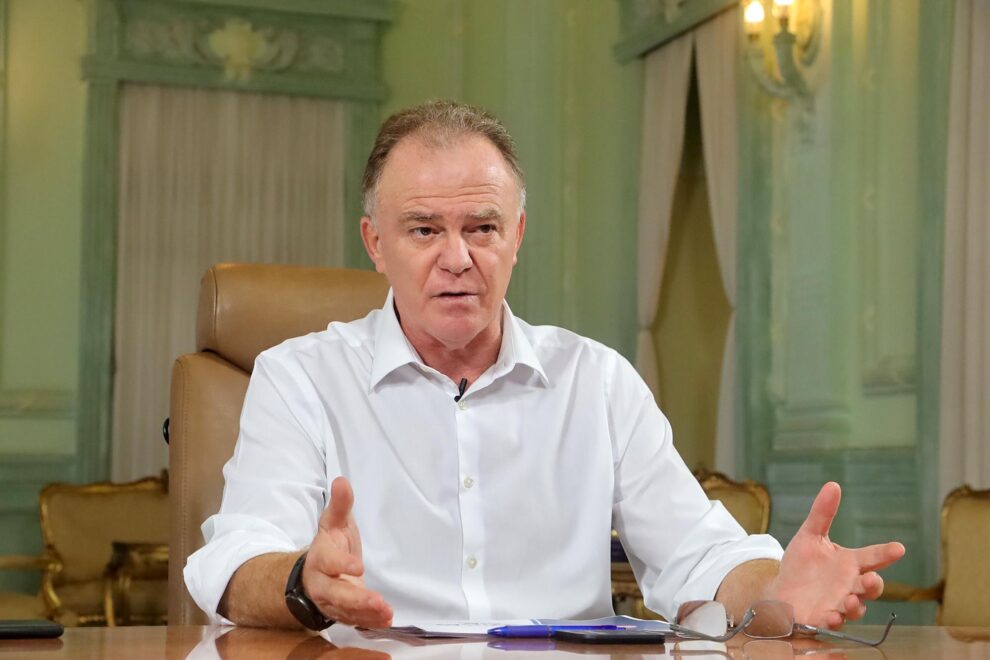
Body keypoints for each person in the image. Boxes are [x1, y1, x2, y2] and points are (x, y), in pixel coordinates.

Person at [184, 100, 904, 631]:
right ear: (375, 243)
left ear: (518, 234)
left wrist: (776, 589)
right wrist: (304, 583)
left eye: (483, 228)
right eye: (424, 229)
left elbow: (697, 555)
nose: (458, 258)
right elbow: (235, 563)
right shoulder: (300, 378)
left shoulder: (597, 381)